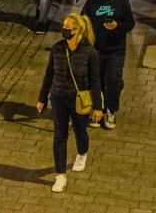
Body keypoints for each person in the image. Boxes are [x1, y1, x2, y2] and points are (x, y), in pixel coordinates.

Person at [37, 14, 102, 194]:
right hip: (58, 97)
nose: (64, 30)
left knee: (80, 129)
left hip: (78, 99)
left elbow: (95, 81)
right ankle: (60, 175)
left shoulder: (90, 53)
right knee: (59, 135)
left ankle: (82, 152)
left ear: (77, 30)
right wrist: (42, 98)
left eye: (68, 28)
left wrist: (97, 107)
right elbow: (49, 74)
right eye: (63, 26)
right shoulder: (57, 49)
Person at [81, 0, 134, 129]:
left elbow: (130, 23)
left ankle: (111, 110)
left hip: (116, 50)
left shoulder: (122, 2)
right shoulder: (92, 1)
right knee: (96, 81)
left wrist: (117, 26)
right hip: (96, 49)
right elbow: (83, 20)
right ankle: (97, 109)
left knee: (112, 81)